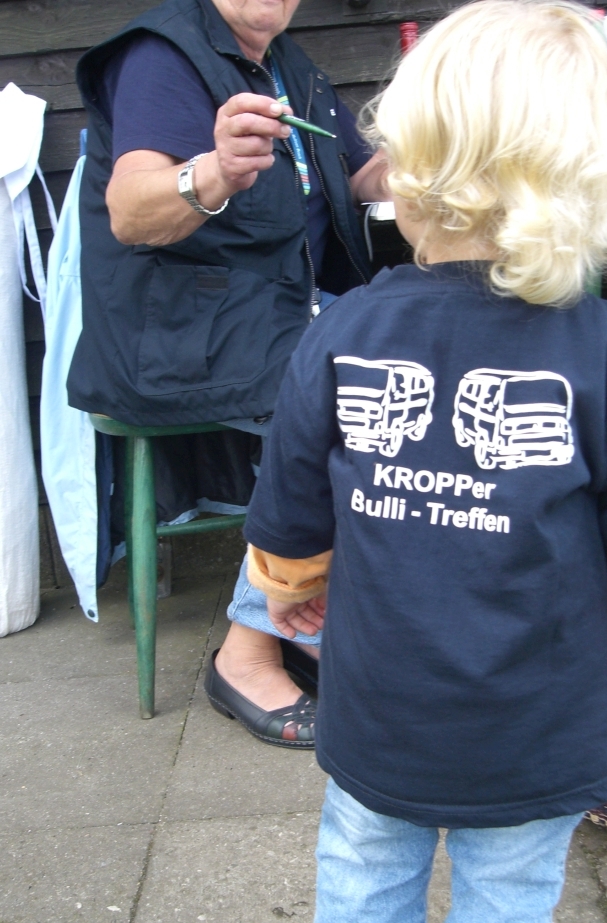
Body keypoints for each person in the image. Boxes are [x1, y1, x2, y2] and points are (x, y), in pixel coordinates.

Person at [240, 3, 607, 923]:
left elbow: (289, 502)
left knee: (363, 862)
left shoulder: (343, 332)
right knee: (509, 888)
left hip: (379, 702)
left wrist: (288, 588)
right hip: (537, 716)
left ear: (410, 163)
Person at [68, 0, 389, 745]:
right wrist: (212, 172)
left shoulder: (291, 66)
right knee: (353, 397)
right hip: (180, 332)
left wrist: (446, 157)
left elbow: (363, 174)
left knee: (412, 359)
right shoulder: (160, 58)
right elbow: (131, 211)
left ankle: (314, 623)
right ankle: (247, 652)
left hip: (281, 317)